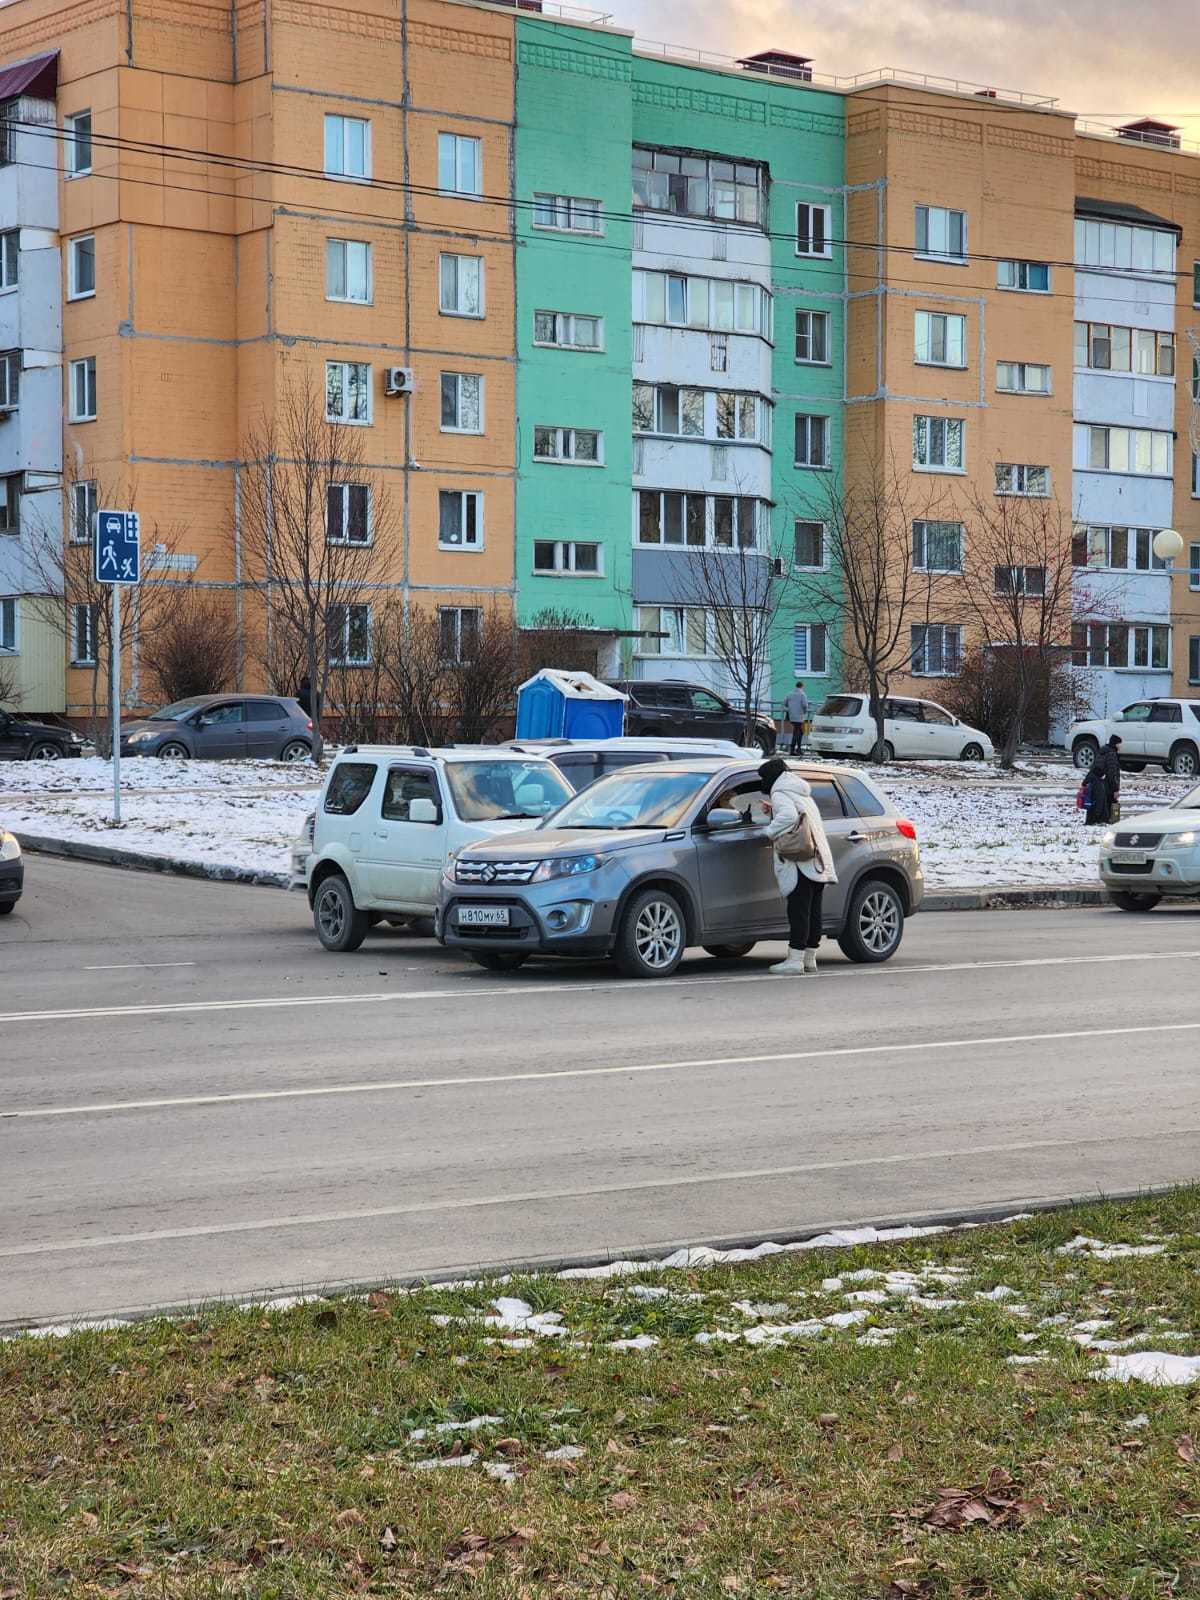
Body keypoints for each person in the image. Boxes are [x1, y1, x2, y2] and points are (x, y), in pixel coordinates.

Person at [759, 757, 837, 977]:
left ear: (772, 777)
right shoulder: (800, 792)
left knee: (798, 911)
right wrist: (773, 812)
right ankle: (809, 958)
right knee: (813, 910)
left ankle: (794, 960)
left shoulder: (780, 792)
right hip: (816, 858)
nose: (763, 783)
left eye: (763, 778)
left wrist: (769, 831)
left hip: (799, 861)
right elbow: (797, 815)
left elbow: (789, 816)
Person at [1091, 734, 1122, 825]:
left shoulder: (1102, 752)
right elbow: (1112, 773)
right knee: (1112, 802)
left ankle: (1100, 820)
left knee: (1101, 803)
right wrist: (1116, 789)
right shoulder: (1112, 755)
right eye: (1120, 744)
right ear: (1115, 744)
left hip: (1100, 783)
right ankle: (1112, 821)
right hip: (1109, 785)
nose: (1121, 746)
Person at [783, 680, 810, 755]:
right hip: (799, 716)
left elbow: (784, 703)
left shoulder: (789, 694)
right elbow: (805, 705)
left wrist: (790, 709)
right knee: (797, 732)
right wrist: (804, 711)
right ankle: (793, 750)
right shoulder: (802, 694)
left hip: (791, 716)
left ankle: (798, 749)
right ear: (802, 686)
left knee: (800, 732)